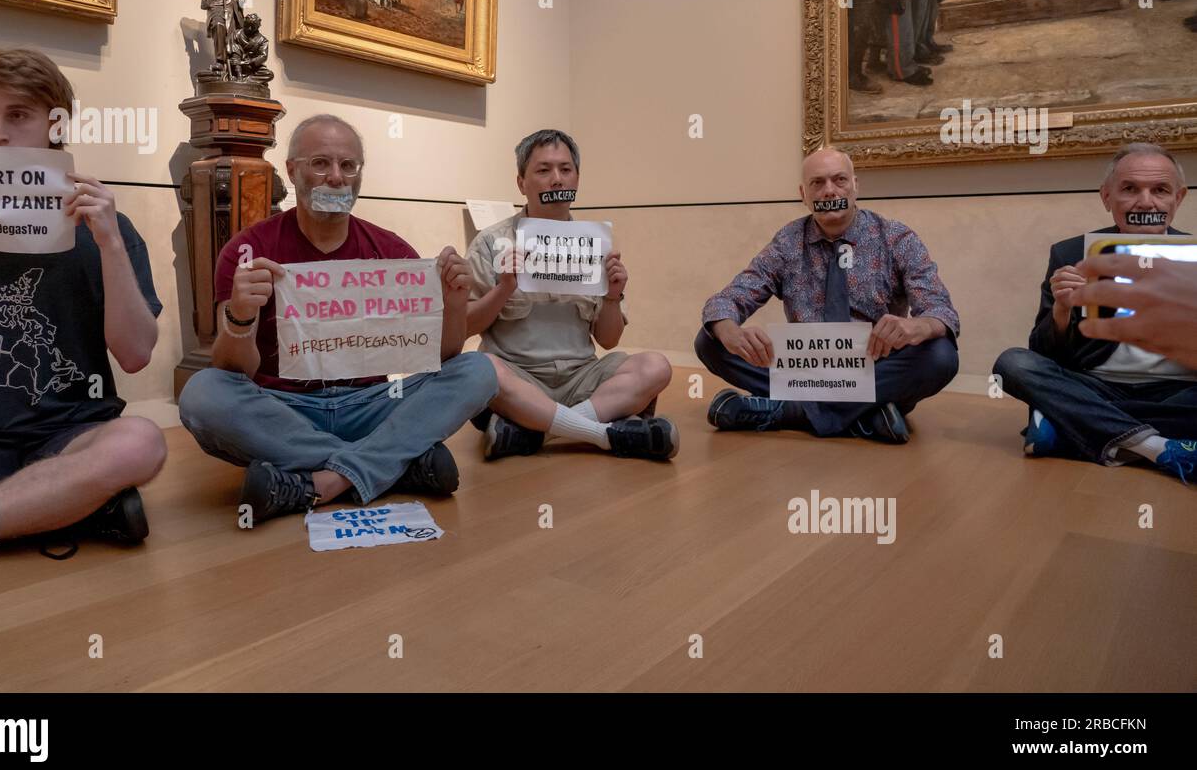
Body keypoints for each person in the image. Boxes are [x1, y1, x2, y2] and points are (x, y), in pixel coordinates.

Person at [0, 49, 166, 566]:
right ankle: (61, 508)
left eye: (18, 115)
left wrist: (110, 244)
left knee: (140, 443)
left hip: (71, 435)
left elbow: (134, 355)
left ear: (55, 123)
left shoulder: (106, 229)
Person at [177, 116, 498, 524]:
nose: (336, 178)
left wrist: (453, 302)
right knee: (202, 394)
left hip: (372, 405)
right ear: (292, 170)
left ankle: (320, 482)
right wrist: (240, 316)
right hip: (283, 408)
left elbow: (441, 356)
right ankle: (393, 464)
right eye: (320, 164)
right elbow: (232, 370)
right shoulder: (247, 250)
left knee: (478, 369)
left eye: (349, 166)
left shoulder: (391, 250)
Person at [695, 149, 959, 443]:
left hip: (876, 366)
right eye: (817, 183)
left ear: (855, 185)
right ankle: (865, 416)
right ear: (803, 194)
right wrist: (728, 327)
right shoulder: (788, 242)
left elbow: (941, 309)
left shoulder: (896, 238)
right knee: (709, 339)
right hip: (806, 368)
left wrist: (917, 326)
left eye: (839, 180)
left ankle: (790, 411)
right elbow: (730, 298)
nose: (829, 190)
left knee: (941, 354)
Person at [464, 130, 677, 463]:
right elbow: (464, 326)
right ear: (521, 182)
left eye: (566, 170)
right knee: (478, 366)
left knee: (656, 366)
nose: (556, 180)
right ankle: (603, 433)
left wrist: (612, 297)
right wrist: (504, 287)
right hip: (518, 377)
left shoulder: (594, 245)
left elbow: (608, 340)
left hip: (582, 379)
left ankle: (535, 431)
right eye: (543, 170)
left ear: (577, 180)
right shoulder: (491, 243)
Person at [993, 143, 1196, 481]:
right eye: (1129, 189)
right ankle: (1158, 447)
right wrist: (1061, 309)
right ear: (1106, 197)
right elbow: (1042, 353)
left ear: (1179, 198)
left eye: (1159, 190)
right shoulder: (1071, 253)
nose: (1145, 202)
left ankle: (1067, 424)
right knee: (1012, 364)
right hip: (1095, 384)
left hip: (1176, 389)